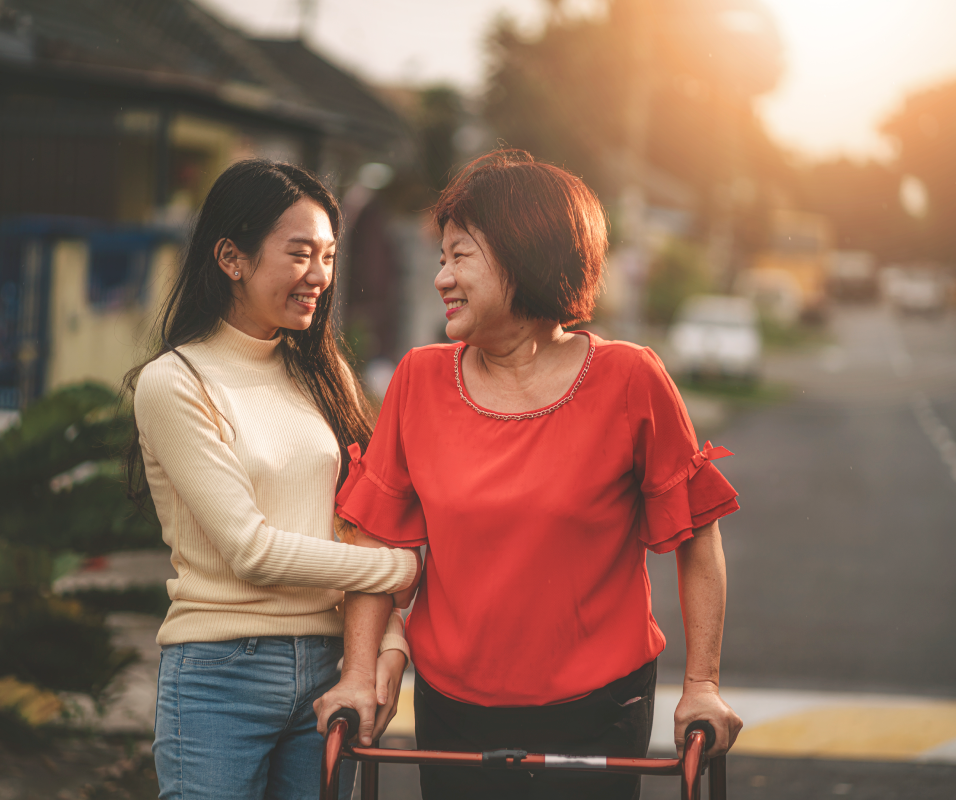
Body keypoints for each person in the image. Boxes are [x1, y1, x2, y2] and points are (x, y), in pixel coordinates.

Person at [316, 149, 744, 800]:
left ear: (526, 254)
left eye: (460, 256)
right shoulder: (419, 380)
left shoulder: (632, 379)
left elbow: (696, 536)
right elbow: (378, 541)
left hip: (600, 707)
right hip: (452, 706)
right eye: (441, 258)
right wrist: (357, 673)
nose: (442, 278)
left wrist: (703, 686)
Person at [124, 159, 419, 800]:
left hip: (326, 673)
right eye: (300, 254)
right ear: (231, 257)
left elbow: (355, 522)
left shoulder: (322, 372)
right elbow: (250, 551)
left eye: (330, 256)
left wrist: (385, 647)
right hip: (219, 678)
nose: (320, 276)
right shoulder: (176, 382)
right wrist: (404, 572)